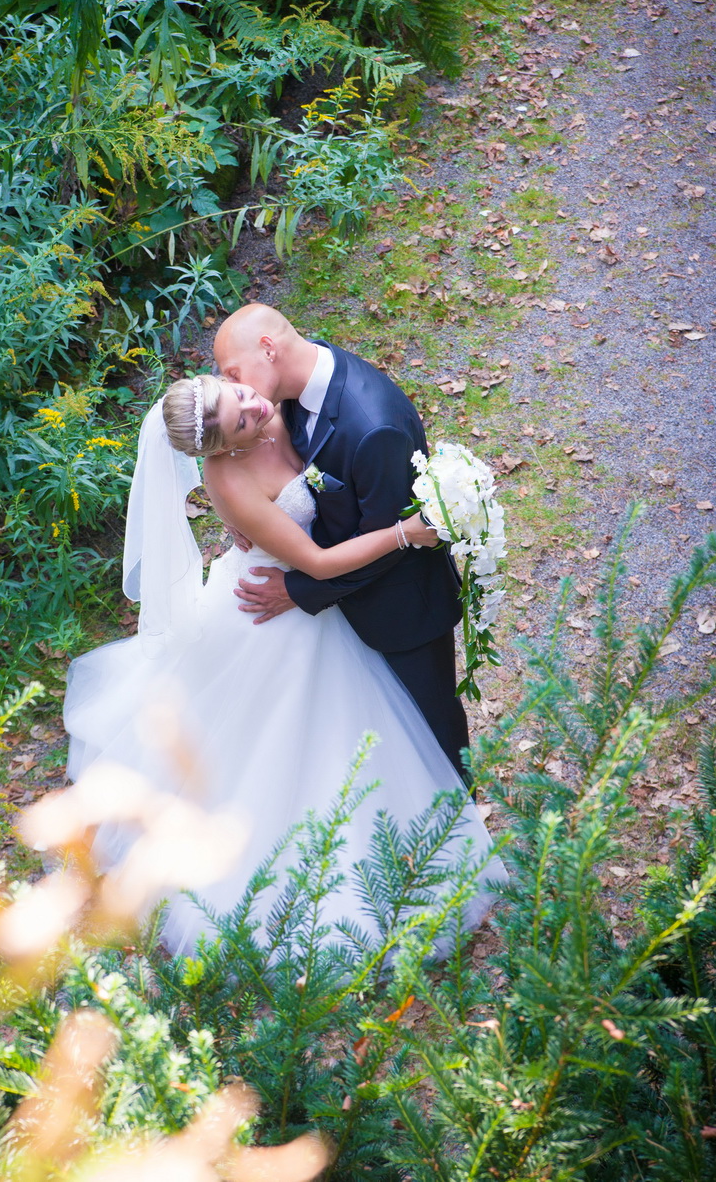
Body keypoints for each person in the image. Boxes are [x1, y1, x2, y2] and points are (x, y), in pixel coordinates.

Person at [63, 371, 504, 956]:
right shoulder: (230, 477)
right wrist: (407, 534)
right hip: (277, 605)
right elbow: (319, 566)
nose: (253, 407)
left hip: (312, 598)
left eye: (239, 395)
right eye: (240, 420)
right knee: (285, 742)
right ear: (224, 450)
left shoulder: (274, 398)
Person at [213, 304, 470, 780]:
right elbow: (219, 437)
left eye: (232, 372)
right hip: (337, 612)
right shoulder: (279, 395)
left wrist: (297, 591)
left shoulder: (374, 428)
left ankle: (461, 842)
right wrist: (238, 505)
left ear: (268, 349)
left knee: (434, 747)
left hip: (399, 612)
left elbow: (397, 544)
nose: (232, 388)